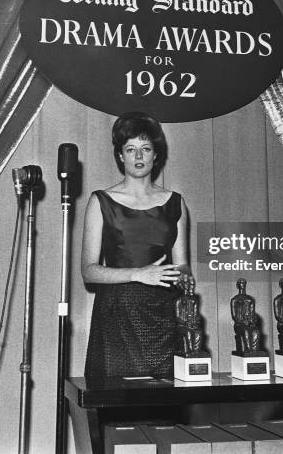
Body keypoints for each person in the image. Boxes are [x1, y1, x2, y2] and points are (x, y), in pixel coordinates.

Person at [81, 112, 190, 380]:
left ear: (156, 154)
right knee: (114, 407)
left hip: (164, 317)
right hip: (117, 316)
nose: (138, 157)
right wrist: (138, 274)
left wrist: (185, 278)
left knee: (164, 409)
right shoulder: (101, 201)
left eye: (145, 149)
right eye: (130, 149)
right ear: (120, 156)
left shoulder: (176, 203)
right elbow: (88, 271)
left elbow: (182, 263)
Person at [231, 278, 262, 354]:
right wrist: (242, 321)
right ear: (238, 285)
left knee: (256, 330)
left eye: (244, 282)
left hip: (249, 324)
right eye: (241, 282)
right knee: (245, 330)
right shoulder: (234, 300)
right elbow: (234, 316)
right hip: (239, 325)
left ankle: (254, 350)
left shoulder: (250, 299)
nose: (242, 284)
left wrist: (252, 320)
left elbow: (253, 314)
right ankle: (248, 350)